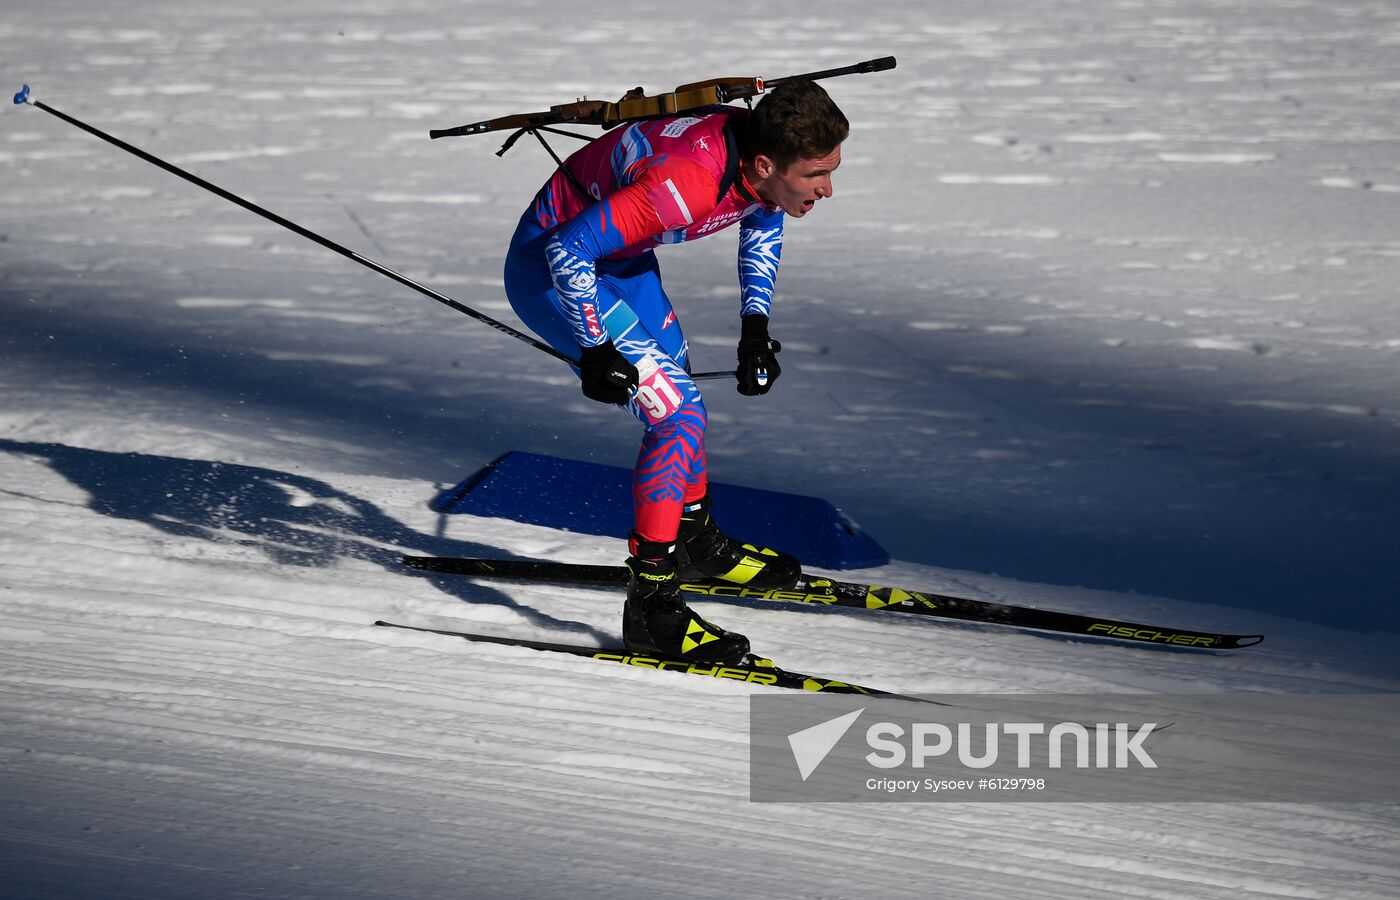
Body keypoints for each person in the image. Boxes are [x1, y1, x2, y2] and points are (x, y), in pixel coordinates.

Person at [503, 79, 848, 665]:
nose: (828, 189)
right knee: (676, 415)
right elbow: (566, 251)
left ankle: (691, 541)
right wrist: (594, 349)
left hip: (619, 260)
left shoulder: (759, 164)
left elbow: (762, 219)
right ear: (766, 164)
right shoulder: (685, 185)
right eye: (816, 175)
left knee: (682, 400)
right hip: (555, 272)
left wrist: (755, 328)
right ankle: (651, 604)